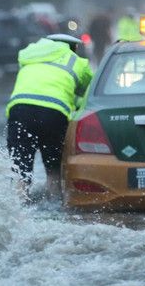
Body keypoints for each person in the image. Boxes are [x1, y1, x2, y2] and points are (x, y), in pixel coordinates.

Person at [6, 33, 94, 200]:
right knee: (53, 167)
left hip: (19, 110)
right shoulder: (77, 62)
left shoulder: (28, 56)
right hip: (54, 113)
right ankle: (54, 204)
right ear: (73, 47)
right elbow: (89, 93)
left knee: (20, 168)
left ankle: (18, 208)